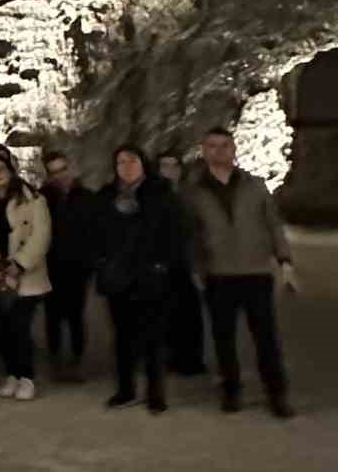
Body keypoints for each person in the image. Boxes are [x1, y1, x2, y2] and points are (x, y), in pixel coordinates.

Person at [183, 128, 297, 417]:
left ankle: (276, 394)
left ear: (233, 149)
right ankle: (231, 390)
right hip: (218, 274)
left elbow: (273, 224)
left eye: (224, 145)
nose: (219, 151)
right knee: (223, 337)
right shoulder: (194, 193)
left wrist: (284, 261)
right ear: (204, 151)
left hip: (256, 270)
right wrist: (196, 268)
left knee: (266, 338)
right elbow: (192, 235)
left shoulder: (255, 186)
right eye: (212, 146)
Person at [91, 145, 183, 414]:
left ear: (143, 163)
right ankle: (125, 389)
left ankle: (156, 393)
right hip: (117, 278)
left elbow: (175, 233)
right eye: (120, 162)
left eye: (132, 161)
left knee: (153, 338)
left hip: (150, 276)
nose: (126, 166)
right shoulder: (106, 196)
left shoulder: (160, 193)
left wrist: (163, 264)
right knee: (122, 337)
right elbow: (95, 233)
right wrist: (102, 262)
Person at [0, 145, 52, 401]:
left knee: (19, 327)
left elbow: (41, 235)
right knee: (3, 327)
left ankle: (26, 376)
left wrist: (20, 263)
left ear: (11, 170)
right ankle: (11, 374)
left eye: (0, 168)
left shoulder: (33, 198)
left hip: (25, 274)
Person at [41, 151, 99, 380]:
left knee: (75, 314)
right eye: (54, 172)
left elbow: (95, 232)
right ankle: (55, 360)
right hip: (51, 265)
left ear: (70, 168)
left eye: (62, 169)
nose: (59, 176)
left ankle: (76, 361)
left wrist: (91, 262)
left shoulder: (86, 197)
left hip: (78, 266)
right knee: (52, 315)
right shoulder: (42, 198)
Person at [157, 148, 207, 376]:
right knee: (166, 312)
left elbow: (199, 229)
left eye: (173, 166)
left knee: (190, 313)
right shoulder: (154, 196)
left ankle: (191, 358)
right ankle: (171, 356)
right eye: (164, 166)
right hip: (164, 262)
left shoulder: (190, 195)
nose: (169, 171)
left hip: (187, 262)